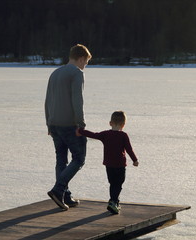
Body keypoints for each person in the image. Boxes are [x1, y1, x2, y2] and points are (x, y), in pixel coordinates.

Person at [45, 44, 92, 210]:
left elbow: (48, 100)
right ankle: (58, 190)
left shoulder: (55, 72)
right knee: (79, 158)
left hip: (54, 123)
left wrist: (48, 122)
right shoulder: (76, 73)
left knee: (61, 159)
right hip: (69, 124)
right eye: (85, 62)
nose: (85, 66)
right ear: (80, 58)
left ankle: (64, 195)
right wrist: (81, 124)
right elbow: (77, 100)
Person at [76, 111, 139, 214]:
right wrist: (135, 160)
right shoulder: (123, 135)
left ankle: (114, 202)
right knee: (118, 184)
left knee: (112, 183)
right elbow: (129, 149)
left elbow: (93, 135)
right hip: (120, 165)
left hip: (109, 165)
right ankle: (114, 202)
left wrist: (80, 131)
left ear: (110, 123)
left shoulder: (106, 134)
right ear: (123, 125)